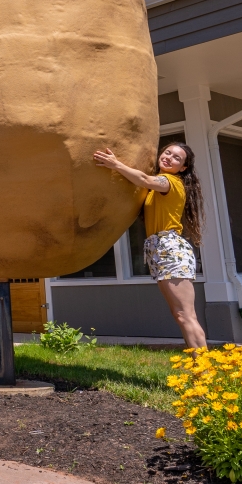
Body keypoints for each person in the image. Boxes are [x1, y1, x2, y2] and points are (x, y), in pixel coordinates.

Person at [92, 142, 207, 350]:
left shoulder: (170, 181)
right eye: (167, 152)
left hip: (171, 249)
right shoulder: (159, 186)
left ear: (183, 168)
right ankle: (202, 370)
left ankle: (206, 372)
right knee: (180, 314)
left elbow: (144, 179)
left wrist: (115, 164)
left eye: (177, 158)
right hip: (161, 250)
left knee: (186, 315)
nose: (169, 157)